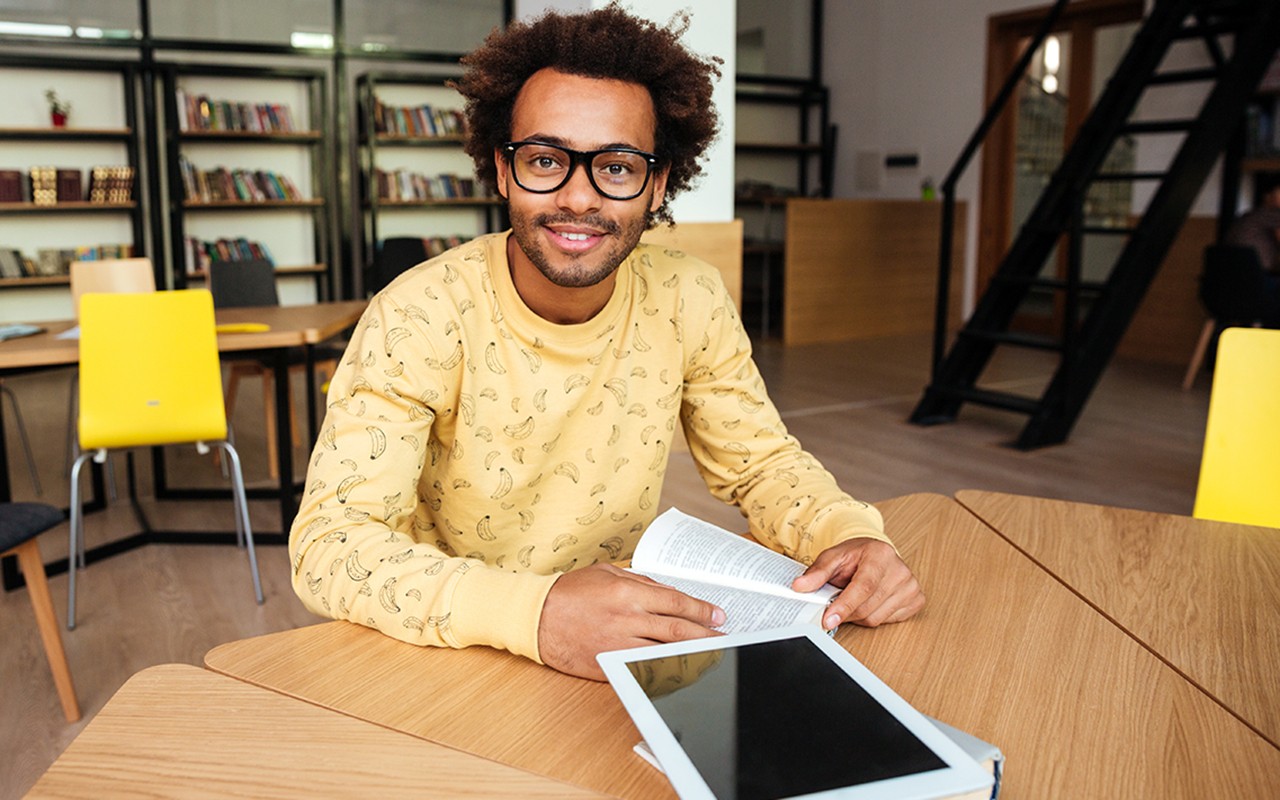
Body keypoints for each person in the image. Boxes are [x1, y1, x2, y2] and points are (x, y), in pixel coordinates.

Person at [288, 4, 924, 680]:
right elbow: (330, 547)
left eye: (616, 168)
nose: (580, 198)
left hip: (617, 638)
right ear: (501, 170)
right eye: (544, 160)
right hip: (449, 645)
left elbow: (759, 464)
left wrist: (847, 536)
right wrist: (535, 613)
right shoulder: (415, 315)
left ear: (658, 184)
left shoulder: (689, 295)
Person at [1224, 173, 1280, 274]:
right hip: (1255, 274)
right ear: (1268, 195)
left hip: (1231, 273)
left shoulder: (1250, 215)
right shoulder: (1271, 214)